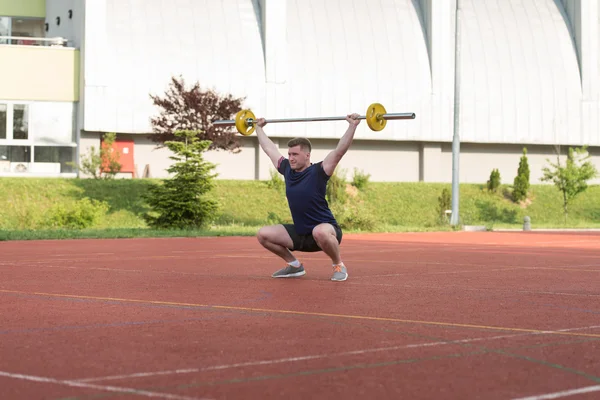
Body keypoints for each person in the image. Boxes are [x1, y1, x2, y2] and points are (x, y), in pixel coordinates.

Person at [255, 113, 361, 282]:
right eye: (289, 154)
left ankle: (338, 265)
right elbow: (270, 149)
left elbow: (339, 151)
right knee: (263, 234)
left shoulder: (319, 171)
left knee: (319, 231)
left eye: (295, 154)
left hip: (326, 231)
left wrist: (352, 126)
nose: (290, 158)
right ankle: (295, 266)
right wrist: (258, 128)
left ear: (307, 155)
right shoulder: (287, 169)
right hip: (301, 232)